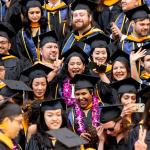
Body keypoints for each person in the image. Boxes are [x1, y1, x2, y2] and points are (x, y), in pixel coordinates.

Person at [13, 0, 51, 67]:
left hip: (48, 65)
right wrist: (32, 65)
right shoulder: (21, 33)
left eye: (37, 12)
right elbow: (21, 54)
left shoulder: (48, 29)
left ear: (41, 13)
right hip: (29, 68)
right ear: (27, 14)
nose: (35, 15)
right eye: (31, 13)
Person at [68, 74, 101, 149]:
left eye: (84, 93)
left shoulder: (102, 109)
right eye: (77, 94)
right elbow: (65, 137)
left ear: (91, 93)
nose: (80, 97)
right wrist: (78, 139)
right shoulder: (70, 113)